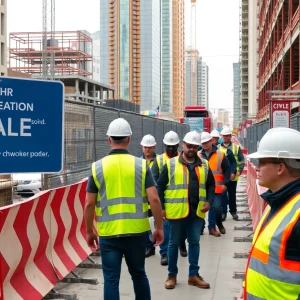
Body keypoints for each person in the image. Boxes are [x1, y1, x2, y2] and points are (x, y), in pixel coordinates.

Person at [84, 118, 164, 300]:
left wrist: (89, 231)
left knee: (111, 280)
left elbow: (89, 204)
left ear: (108, 140)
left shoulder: (97, 168)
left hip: (109, 235)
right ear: (129, 140)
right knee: (139, 275)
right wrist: (159, 228)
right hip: (136, 233)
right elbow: (154, 199)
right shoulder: (141, 165)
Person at [236, 127, 300, 300]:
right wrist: (246, 286)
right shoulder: (276, 202)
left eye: (262, 162)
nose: (256, 167)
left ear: (280, 168)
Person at [157, 130, 215, 290]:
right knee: (173, 244)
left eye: (195, 147)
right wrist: (161, 208)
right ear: (183, 145)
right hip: (176, 212)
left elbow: (211, 184)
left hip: (197, 212)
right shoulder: (171, 164)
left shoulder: (204, 164)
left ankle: (193, 275)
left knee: (194, 243)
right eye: (189, 146)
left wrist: (209, 201)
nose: (191, 149)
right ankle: (171, 275)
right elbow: (160, 187)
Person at [150, 131, 187, 265]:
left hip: (181, 200)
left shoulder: (184, 158)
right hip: (165, 200)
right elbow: (154, 180)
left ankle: (182, 243)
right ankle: (164, 253)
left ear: (178, 145)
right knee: (165, 227)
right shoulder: (159, 160)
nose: (171, 149)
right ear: (165, 145)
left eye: (173, 146)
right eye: (168, 146)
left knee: (182, 226)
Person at [198, 132, 231, 237]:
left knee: (216, 207)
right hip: (201, 188)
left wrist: (225, 183)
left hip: (216, 188)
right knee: (200, 208)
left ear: (211, 141)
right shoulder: (198, 155)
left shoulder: (220, 155)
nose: (205, 144)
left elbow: (227, 170)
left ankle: (216, 225)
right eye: (203, 143)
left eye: (207, 142)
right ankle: (201, 227)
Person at [219, 127, 244, 220]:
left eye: (227, 136)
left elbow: (241, 160)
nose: (225, 137)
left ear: (230, 136)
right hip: (222, 176)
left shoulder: (236, 147)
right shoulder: (218, 148)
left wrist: (239, 170)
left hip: (233, 177)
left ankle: (233, 211)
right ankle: (223, 213)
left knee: (232, 195)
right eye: (224, 136)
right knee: (223, 195)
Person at [140, 134, 158, 255]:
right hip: (143, 199)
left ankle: (160, 248)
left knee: (156, 224)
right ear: (142, 147)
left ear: (154, 147)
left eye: (149, 147)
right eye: (145, 147)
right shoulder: (138, 162)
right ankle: (149, 246)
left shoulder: (159, 161)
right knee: (146, 224)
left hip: (155, 197)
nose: (147, 149)